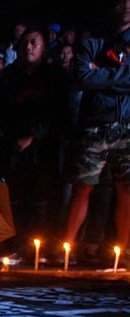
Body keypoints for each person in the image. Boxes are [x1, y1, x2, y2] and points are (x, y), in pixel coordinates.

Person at [0, 24, 69, 264]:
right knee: (16, 199)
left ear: (44, 47)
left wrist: (33, 135)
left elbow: (58, 113)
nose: (29, 48)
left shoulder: (54, 77)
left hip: (44, 150)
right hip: (12, 148)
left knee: (42, 200)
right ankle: (17, 244)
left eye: (34, 43)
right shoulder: (10, 76)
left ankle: (40, 247)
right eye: (25, 44)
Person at [59, 0, 130, 264]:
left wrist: (102, 75)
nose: (126, 6)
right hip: (94, 127)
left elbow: (94, 78)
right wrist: (120, 76)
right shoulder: (93, 42)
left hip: (127, 125)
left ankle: (121, 251)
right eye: (120, 1)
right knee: (82, 187)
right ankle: (66, 249)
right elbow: (81, 77)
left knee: (126, 190)